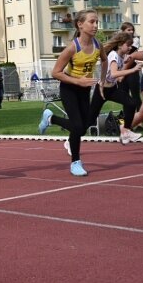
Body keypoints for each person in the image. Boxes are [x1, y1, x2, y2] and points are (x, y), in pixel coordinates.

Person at [38, 9, 106, 176]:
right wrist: (78, 81)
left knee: (82, 128)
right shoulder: (72, 48)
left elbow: (104, 61)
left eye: (97, 22)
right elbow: (56, 72)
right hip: (69, 87)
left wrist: (103, 81)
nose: (96, 25)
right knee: (77, 126)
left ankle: (50, 118)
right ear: (80, 24)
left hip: (84, 90)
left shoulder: (98, 45)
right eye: (92, 21)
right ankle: (75, 162)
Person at [91, 32, 143, 144]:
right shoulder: (113, 55)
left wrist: (127, 62)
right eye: (128, 45)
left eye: (131, 45)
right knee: (89, 120)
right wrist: (133, 70)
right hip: (102, 90)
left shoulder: (121, 56)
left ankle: (125, 131)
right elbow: (114, 74)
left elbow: (118, 78)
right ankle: (53, 121)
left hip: (112, 89)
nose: (130, 48)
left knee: (131, 103)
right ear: (120, 45)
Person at [120, 22, 143, 131]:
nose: (131, 32)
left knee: (135, 96)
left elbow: (130, 55)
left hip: (132, 69)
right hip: (121, 71)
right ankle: (127, 123)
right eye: (128, 30)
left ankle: (140, 123)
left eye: (132, 30)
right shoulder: (119, 41)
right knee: (124, 97)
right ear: (123, 31)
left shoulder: (136, 40)